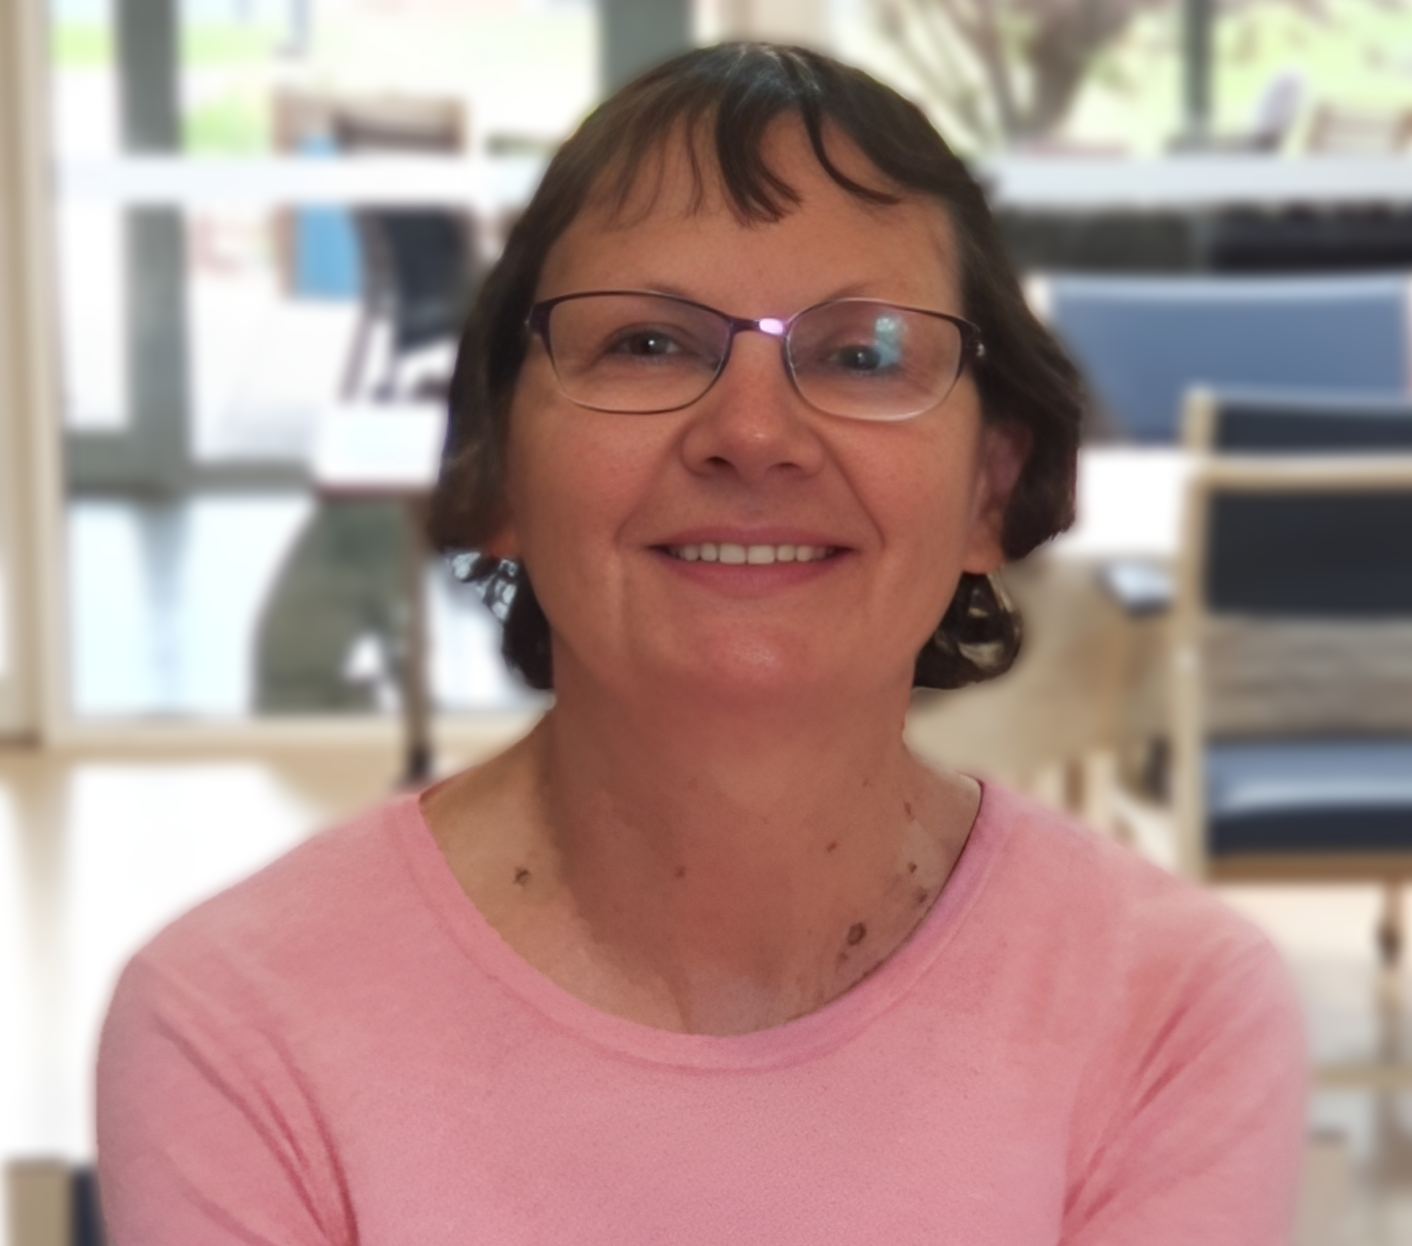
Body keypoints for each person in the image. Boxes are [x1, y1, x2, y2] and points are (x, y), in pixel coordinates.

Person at [96, 43, 1307, 1244]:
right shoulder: (235, 1028)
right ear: (493, 472)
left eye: (862, 352)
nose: (752, 432)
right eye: (647, 343)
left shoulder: (1172, 1015)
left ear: (991, 485)